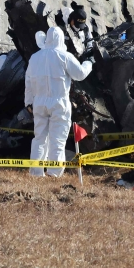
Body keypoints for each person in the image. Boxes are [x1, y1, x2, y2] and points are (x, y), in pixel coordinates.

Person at [25, 27, 94, 177]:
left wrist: (28, 102)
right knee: (58, 139)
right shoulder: (64, 56)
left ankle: (36, 173)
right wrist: (89, 62)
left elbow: (28, 81)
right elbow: (80, 74)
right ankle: (54, 173)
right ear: (62, 39)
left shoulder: (35, 57)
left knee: (39, 138)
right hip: (59, 104)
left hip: (39, 103)